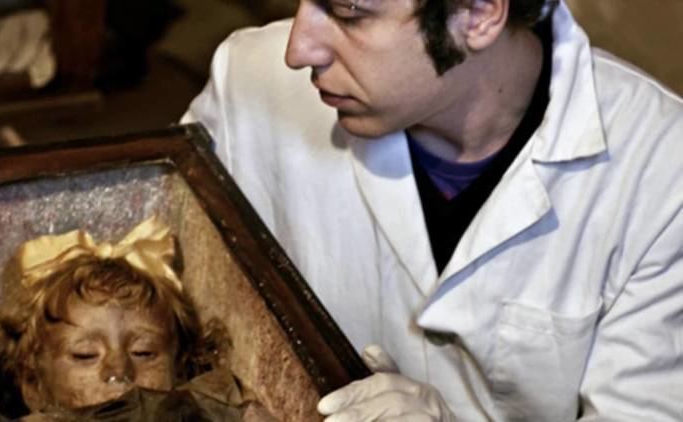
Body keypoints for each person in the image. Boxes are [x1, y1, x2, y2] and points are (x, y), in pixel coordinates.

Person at [181, 0, 683, 420]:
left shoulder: (660, 170)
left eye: (349, 12)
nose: (298, 48)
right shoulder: (249, 81)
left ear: (479, 13)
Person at [0, 217, 273, 421]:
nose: (119, 370)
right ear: (34, 383)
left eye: (144, 353)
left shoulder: (210, 406)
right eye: (85, 355)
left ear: (181, 366)